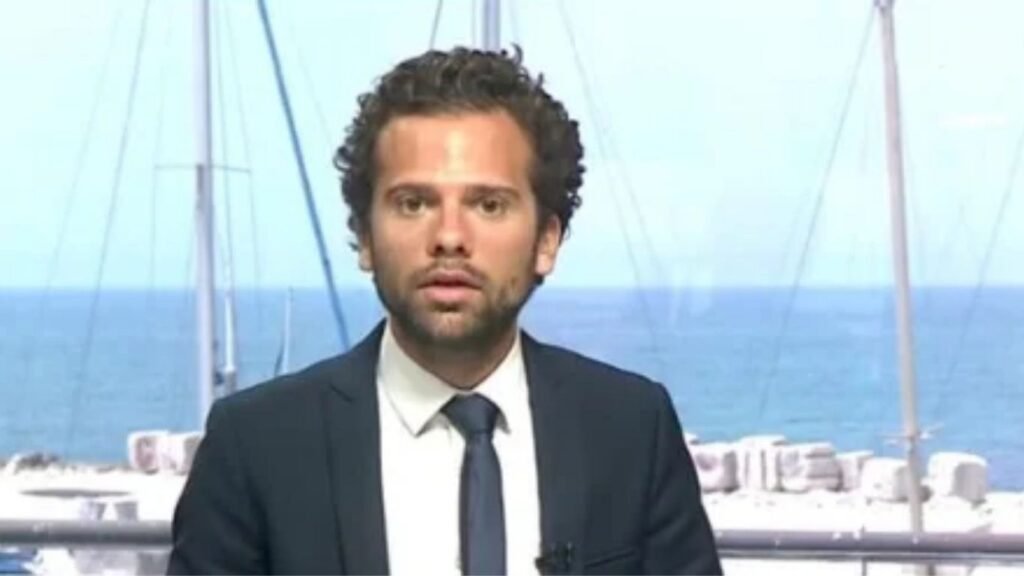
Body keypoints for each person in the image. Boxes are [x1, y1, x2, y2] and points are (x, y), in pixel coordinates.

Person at [167, 45, 721, 576]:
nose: (450, 236)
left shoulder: (631, 430)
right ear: (365, 237)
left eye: (489, 205)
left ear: (546, 241)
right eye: (414, 204)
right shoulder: (255, 446)